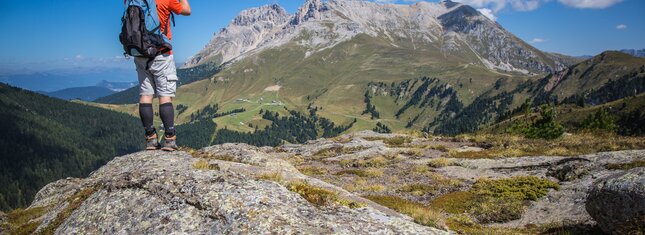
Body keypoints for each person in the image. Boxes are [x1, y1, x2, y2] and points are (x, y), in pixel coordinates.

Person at [134, 0, 191, 151]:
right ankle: (170, 139)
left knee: (145, 95)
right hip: (161, 53)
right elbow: (187, 10)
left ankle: (150, 139)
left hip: (139, 53)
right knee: (165, 95)